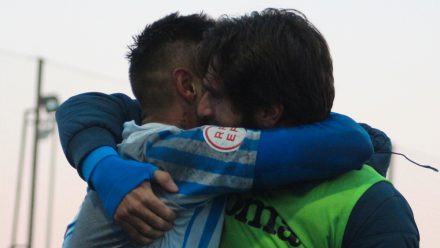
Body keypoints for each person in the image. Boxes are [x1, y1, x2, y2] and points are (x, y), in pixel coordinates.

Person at [56, 9, 418, 248]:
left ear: (268, 112)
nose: (201, 107)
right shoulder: (182, 146)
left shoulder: (370, 205)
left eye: (214, 93)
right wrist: (100, 163)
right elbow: (90, 106)